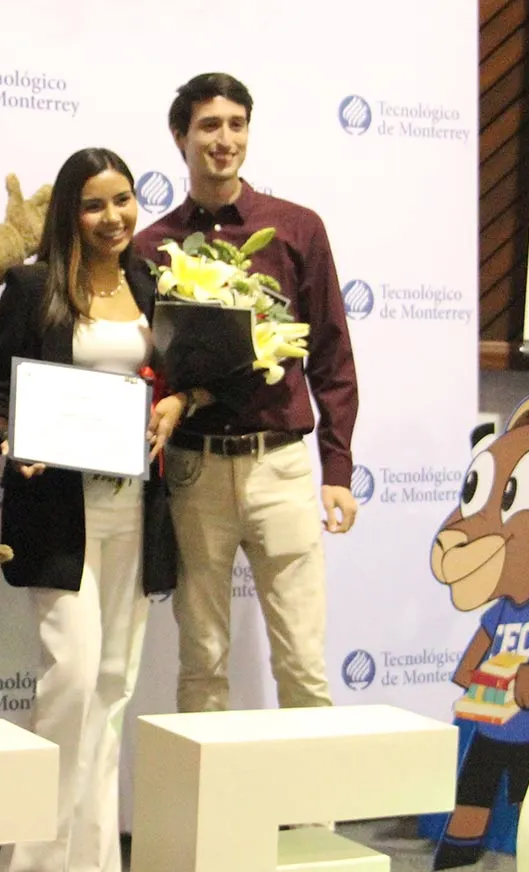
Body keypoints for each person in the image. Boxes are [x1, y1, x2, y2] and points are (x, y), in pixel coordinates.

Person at [0, 148, 187, 872]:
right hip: (61, 512)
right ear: (69, 213)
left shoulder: (153, 285)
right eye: (95, 204)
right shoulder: (33, 288)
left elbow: (175, 380)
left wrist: (176, 406)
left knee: (114, 685)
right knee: (70, 677)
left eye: (123, 200)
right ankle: (30, 867)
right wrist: (11, 439)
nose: (114, 217)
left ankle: (93, 869)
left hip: (137, 506)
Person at [133, 72, 360, 714]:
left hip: (282, 466)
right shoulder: (154, 247)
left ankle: (305, 814)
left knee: (302, 664)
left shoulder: (295, 229)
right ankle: (210, 815)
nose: (224, 140)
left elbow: (332, 352)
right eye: (208, 126)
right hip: (195, 470)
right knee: (201, 662)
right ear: (180, 137)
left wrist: (337, 468)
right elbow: (152, 366)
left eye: (236, 125)